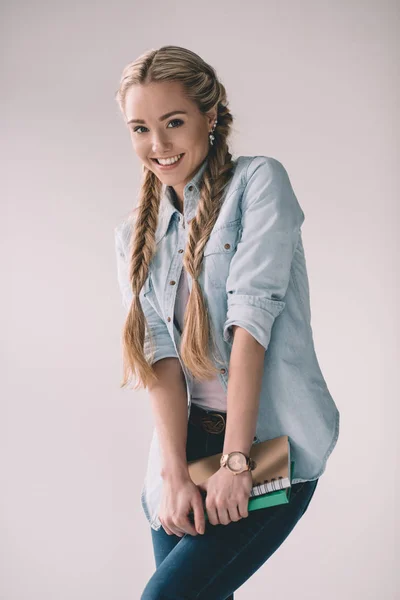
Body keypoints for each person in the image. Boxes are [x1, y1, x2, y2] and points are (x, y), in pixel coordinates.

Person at [113, 45, 340, 600]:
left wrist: (236, 461)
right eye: (141, 128)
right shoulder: (133, 236)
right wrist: (172, 474)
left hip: (265, 446)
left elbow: (250, 323)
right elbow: (159, 356)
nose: (158, 145)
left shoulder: (258, 183)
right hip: (182, 450)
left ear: (210, 117)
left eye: (173, 122)